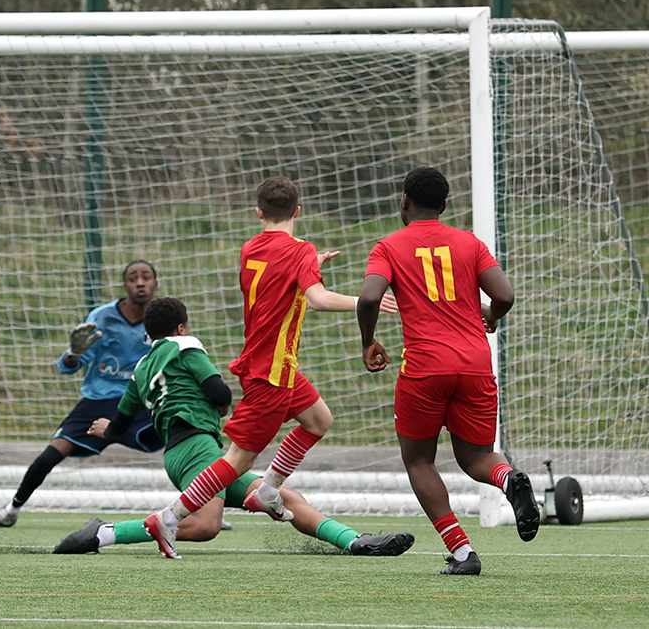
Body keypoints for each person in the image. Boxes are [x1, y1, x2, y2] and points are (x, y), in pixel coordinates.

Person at [141, 176, 398, 558]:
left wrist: (310, 263)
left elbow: (280, 279)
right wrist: (367, 300)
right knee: (236, 461)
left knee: (318, 420)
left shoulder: (250, 248)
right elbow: (318, 300)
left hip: (274, 365)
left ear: (258, 213)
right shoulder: (299, 250)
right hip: (271, 373)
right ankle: (169, 518)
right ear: (298, 211)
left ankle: (268, 490)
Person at [53, 297, 414, 558]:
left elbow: (119, 425)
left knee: (286, 497)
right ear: (181, 328)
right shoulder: (185, 346)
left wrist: (106, 430)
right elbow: (217, 391)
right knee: (208, 525)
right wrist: (223, 405)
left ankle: (356, 541)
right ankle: (105, 533)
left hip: (183, 452)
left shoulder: (142, 368)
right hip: (197, 447)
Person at [355, 166, 540, 576]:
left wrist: (368, 340)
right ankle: (509, 480)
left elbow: (369, 297)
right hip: (475, 365)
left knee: (419, 460)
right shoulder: (468, 243)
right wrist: (490, 313)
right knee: (476, 456)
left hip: (425, 369)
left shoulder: (388, 246)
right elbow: (505, 294)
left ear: (404, 201)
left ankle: (461, 552)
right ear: (444, 204)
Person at [0, 260, 165, 527]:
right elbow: (69, 366)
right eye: (133, 278)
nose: (140, 282)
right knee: (53, 452)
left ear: (156, 283)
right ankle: (10, 511)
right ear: (125, 285)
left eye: (146, 277)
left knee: (187, 439)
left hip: (140, 402)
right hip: (99, 402)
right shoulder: (102, 316)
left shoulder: (163, 319)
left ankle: (208, 508)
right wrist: (73, 354)